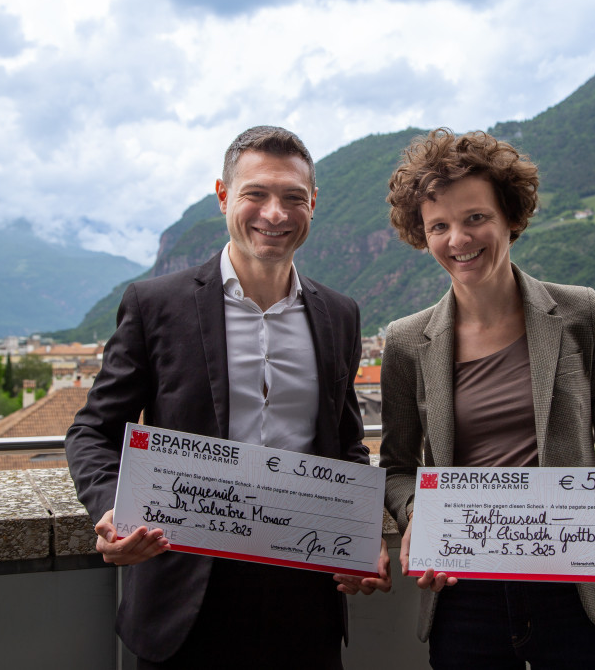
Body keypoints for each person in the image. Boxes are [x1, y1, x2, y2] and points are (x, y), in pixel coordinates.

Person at [379, 128, 595, 669]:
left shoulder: (580, 313)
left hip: (580, 592)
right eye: (439, 226)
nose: (458, 239)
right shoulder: (405, 341)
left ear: (510, 216)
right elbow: (397, 468)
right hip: (464, 596)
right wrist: (418, 512)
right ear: (422, 234)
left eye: (475, 217)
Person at [66, 125, 390, 670]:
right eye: (255, 194)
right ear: (223, 196)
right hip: (184, 590)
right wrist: (110, 508)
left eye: (293, 197)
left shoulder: (340, 314)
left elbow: (346, 446)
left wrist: (360, 533)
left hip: (305, 594)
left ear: (313, 204)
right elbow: (93, 431)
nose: (274, 213)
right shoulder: (155, 304)